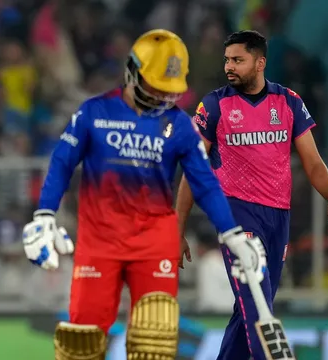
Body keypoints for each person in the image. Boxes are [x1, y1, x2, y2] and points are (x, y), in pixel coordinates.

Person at [22, 29, 266, 360]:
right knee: (82, 341)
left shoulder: (180, 125)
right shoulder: (94, 112)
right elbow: (62, 162)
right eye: (155, 86)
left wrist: (233, 233)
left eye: (169, 90)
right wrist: (45, 214)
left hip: (153, 241)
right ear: (132, 71)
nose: (162, 96)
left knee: (155, 338)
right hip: (99, 240)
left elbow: (205, 183)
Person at [175, 30, 328, 360]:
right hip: (235, 215)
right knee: (255, 299)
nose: (229, 66)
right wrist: (177, 225)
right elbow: (194, 169)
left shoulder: (288, 102)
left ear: (260, 63)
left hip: (277, 217)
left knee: (253, 306)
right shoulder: (214, 105)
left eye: (238, 60)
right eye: (227, 60)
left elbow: (312, 161)